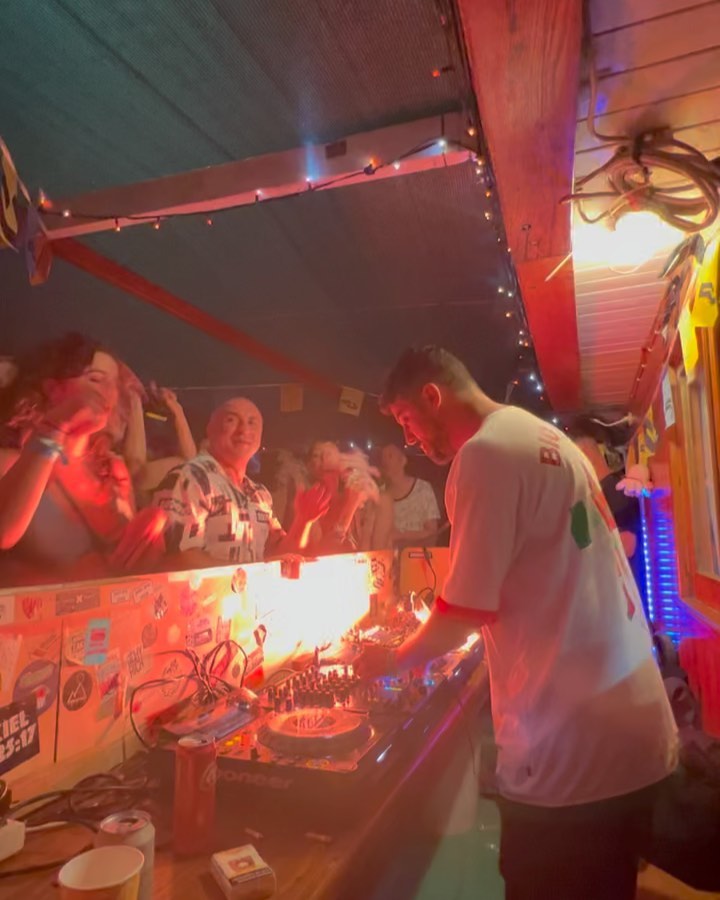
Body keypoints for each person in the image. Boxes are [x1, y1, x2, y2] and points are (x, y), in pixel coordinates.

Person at [356, 346, 677, 900]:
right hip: (627, 732)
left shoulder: (485, 454)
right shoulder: (544, 437)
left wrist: (387, 660)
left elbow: (464, 612)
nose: (409, 439)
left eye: (407, 419)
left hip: (571, 753)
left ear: (433, 396)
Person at [0, 333, 163, 584]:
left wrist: (146, 543)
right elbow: (3, 533)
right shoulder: (13, 461)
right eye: (95, 379)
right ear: (53, 389)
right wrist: (56, 427)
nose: (108, 392)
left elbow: (123, 567)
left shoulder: (112, 470)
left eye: (114, 384)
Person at [152, 398, 331, 568]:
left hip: (250, 591)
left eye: (252, 422)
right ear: (210, 429)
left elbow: (282, 554)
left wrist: (303, 521)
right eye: (231, 420)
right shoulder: (189, 479)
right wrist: (251, 572)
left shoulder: (259, 494)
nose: (244, 429)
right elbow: (177, 559)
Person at [374, 443, 441, 547]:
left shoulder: (422, 489)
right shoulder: (379, 495)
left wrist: (401, 535)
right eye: (383, 457)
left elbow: (432, 534)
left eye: (390, 455)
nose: (385, 461)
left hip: (419, 555)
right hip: (387, 556)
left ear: (403, 460)